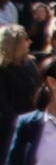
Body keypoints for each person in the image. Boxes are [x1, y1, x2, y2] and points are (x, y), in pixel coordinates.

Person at [0, 24, 40, 154]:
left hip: (32, 122)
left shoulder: (30, 64)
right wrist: (17, 122)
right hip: (9, 128)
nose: (30, 42)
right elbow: (3, 103)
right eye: (25, 39)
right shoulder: (3, 69)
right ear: (15, 44)